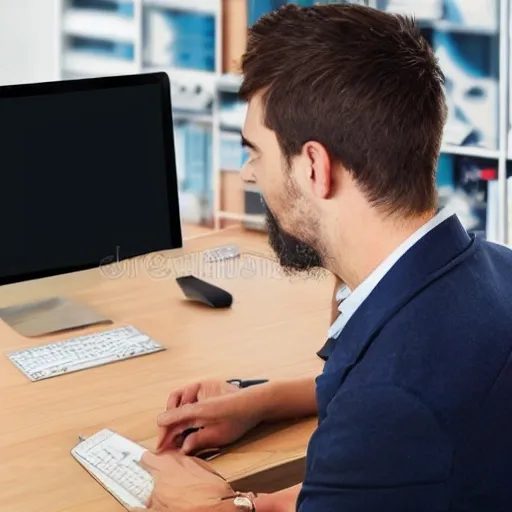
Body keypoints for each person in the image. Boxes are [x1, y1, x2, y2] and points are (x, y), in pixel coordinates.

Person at [134, 3, 512, 511]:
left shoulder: (392, 406)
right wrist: (263, 401)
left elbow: (390, 414)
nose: (249, 175)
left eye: (256, 152)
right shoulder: (491, 271)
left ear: (314, 167)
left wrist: (202, 504)